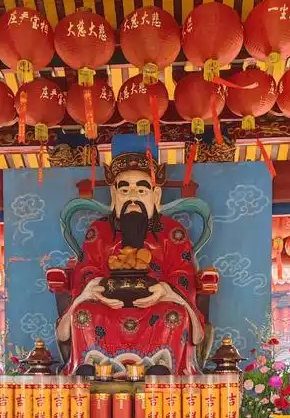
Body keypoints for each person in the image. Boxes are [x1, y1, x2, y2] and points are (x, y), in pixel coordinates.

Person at [56, 151, 204, 375]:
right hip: (108, 306)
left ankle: (161, 369)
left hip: (156, 304)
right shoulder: (100, 231)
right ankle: (93, 370)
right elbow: (87, 270)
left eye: (141, 190)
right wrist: (94, 289)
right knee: (84, 313)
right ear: (114, 195)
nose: (132, 197)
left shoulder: (172, 232)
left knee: (174, 315)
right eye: (124, 190)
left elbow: (181, 273)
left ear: (155, 196)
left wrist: (165, 290)